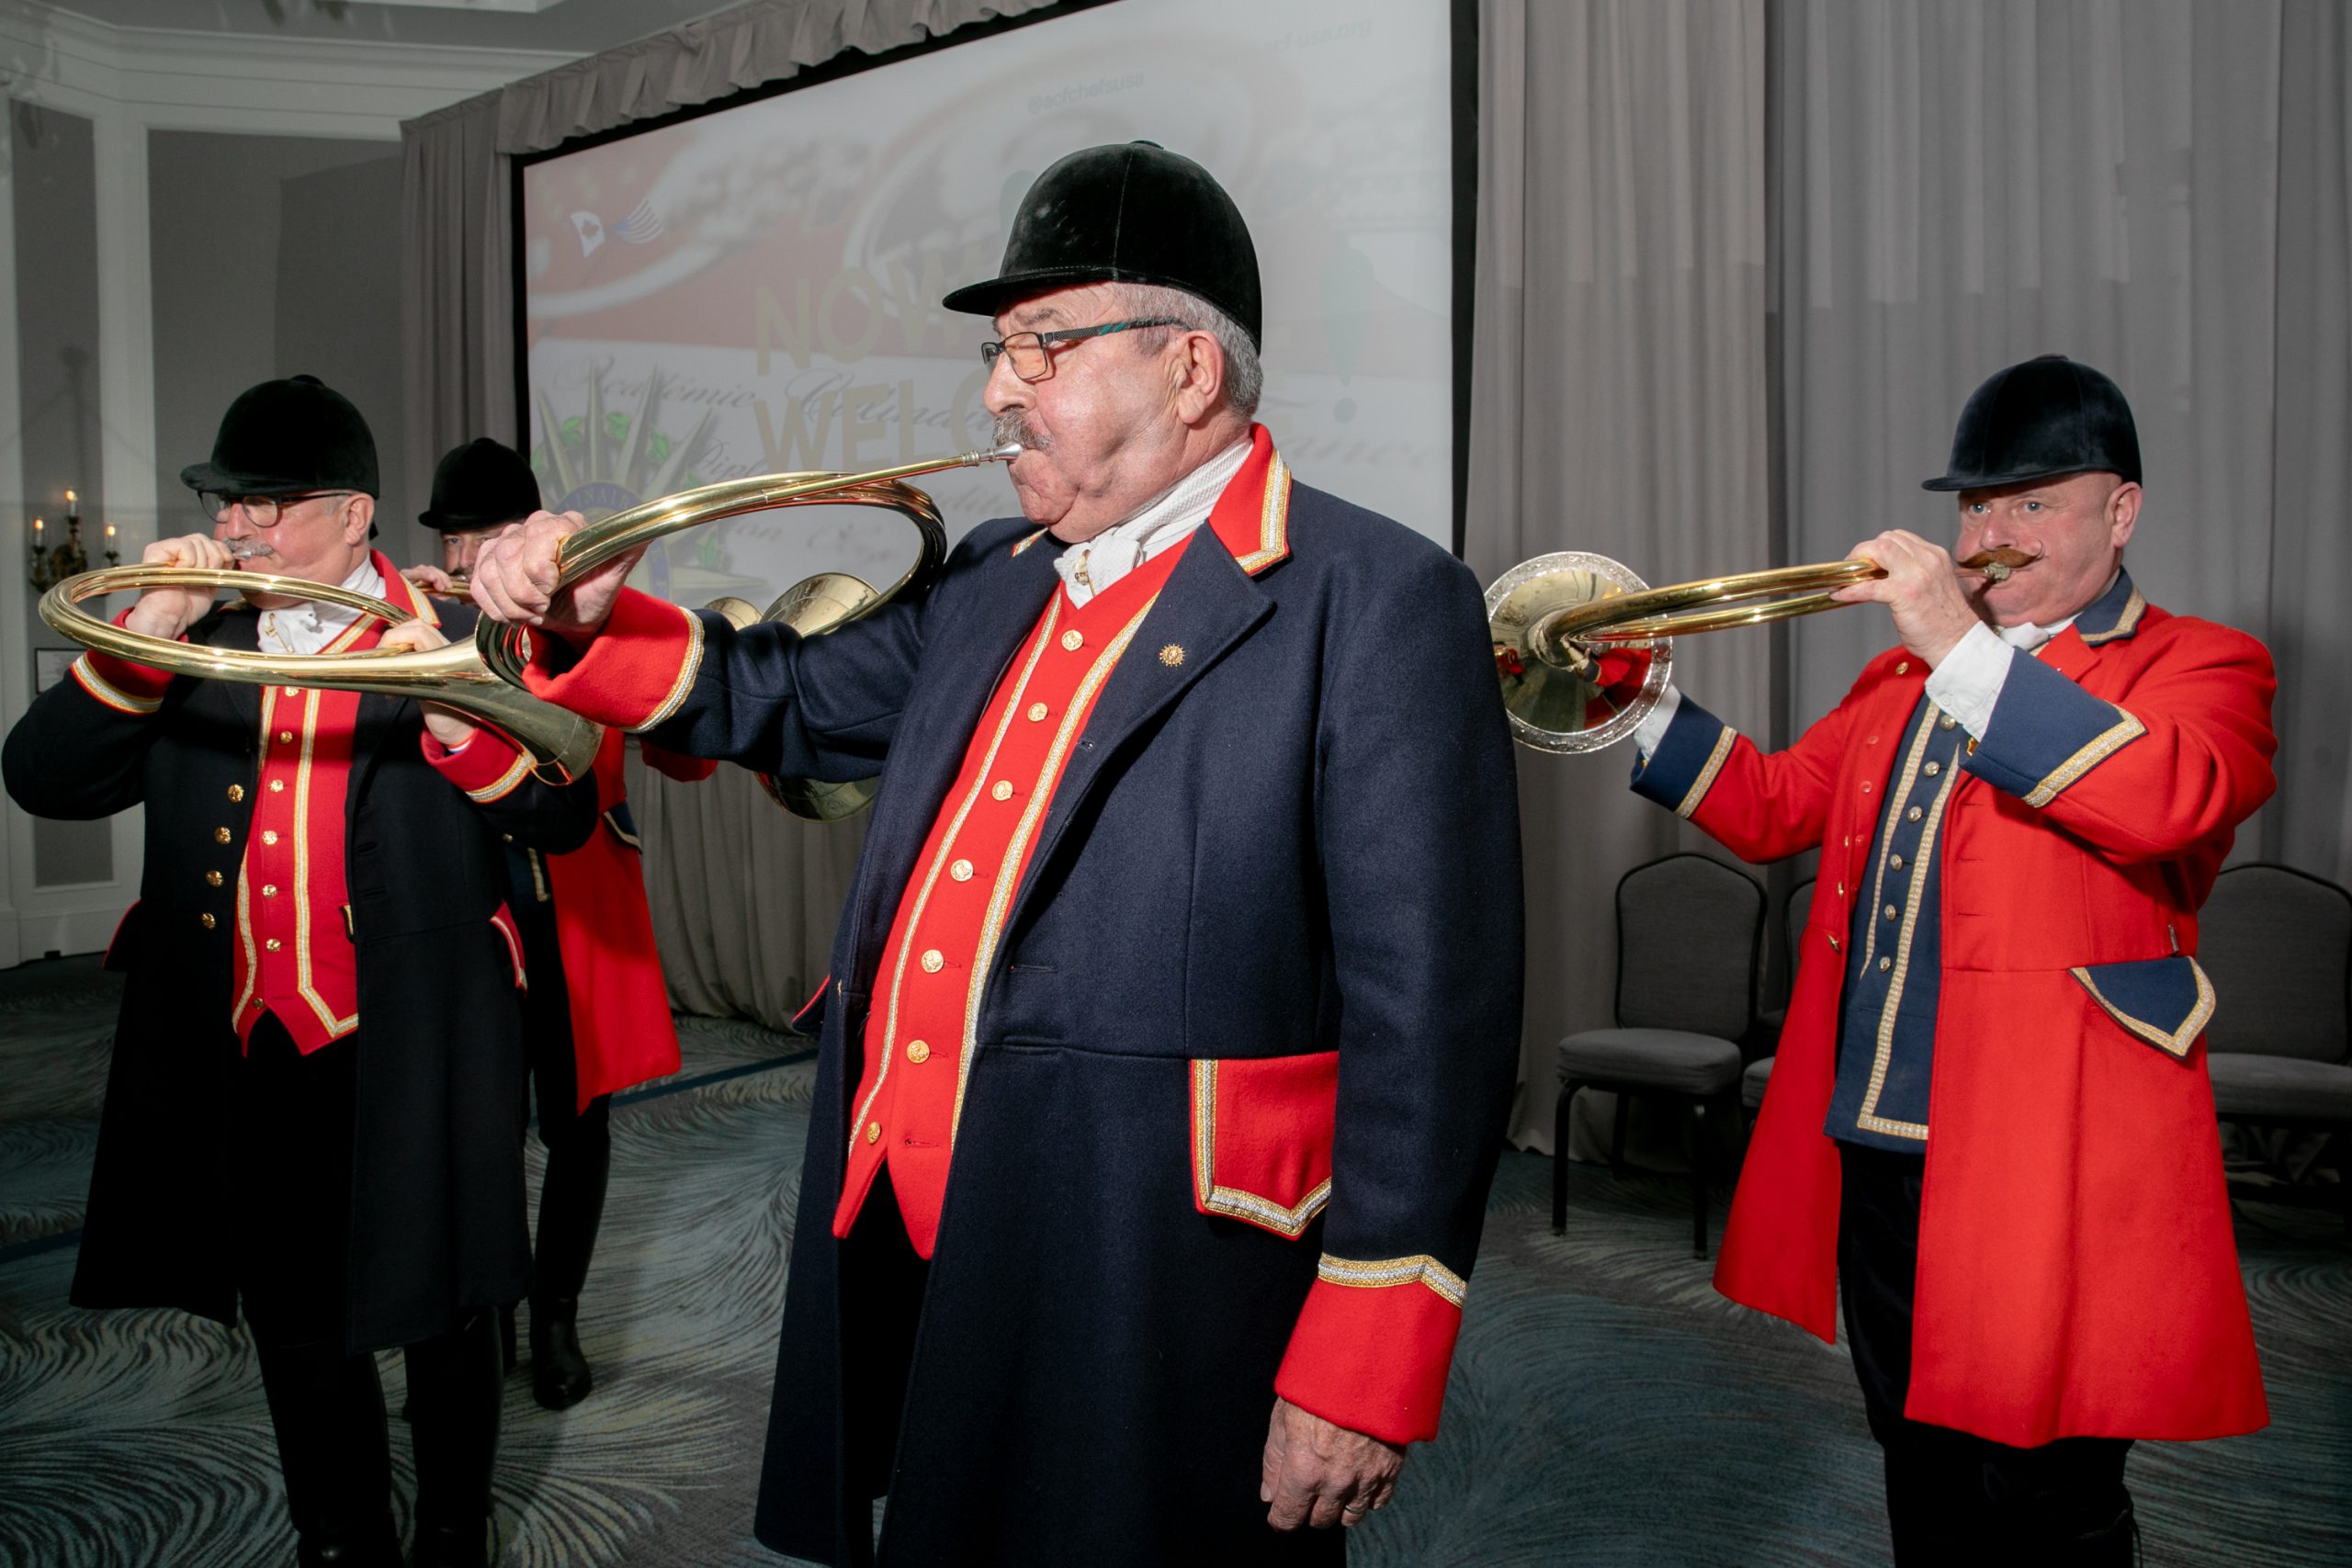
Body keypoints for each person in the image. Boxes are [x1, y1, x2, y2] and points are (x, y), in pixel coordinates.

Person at [468, 141, 1523, 1565]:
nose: (995, 391)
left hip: (1163, 1261)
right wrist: (591, 617)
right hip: (920, 1216)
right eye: (998, 351)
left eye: (1043, 346)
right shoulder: (990, 573)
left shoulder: (1378, 596)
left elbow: (1435, 1021)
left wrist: (1366, 1351)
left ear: (1187, 370)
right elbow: (787, 697)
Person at [1625, 355, 2275, 1564]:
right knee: (1915, 1454)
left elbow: (2167, 800)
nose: (1990, 536)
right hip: (1883, 1134)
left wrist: (1959, 650)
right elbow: (1773, 805)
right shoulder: (1900, 676)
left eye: (2032, 502)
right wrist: (1630, 696)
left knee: (2045, 1489)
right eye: (1975, 506)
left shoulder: (2203, 662)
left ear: (2120, 512)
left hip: (2056, 1148)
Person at [3, 377, 599, 1568]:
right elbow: (43, 777)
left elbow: (561, 813)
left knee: (448, 1303)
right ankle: (339, 1535)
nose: (235, 529)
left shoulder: (459, 625)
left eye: (264, 506)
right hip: (257, 1036)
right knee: (289, 1305)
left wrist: (454, 706)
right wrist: (154, 624)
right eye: (226, 505)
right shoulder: (196, 638)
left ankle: (453, 1530)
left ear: (353, 512)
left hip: (421, 1038)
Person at [411, 436, 716, 1411]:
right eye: (455, 542)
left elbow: (688, 756)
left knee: (578, 1126)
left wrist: (599, 636)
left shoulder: (581, 614)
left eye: (486, 537)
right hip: (473, 912)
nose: (469, 560)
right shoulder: (425, 617)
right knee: (478, 1128)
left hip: (579, 901)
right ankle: (485, 1313)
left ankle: (557, 1317)